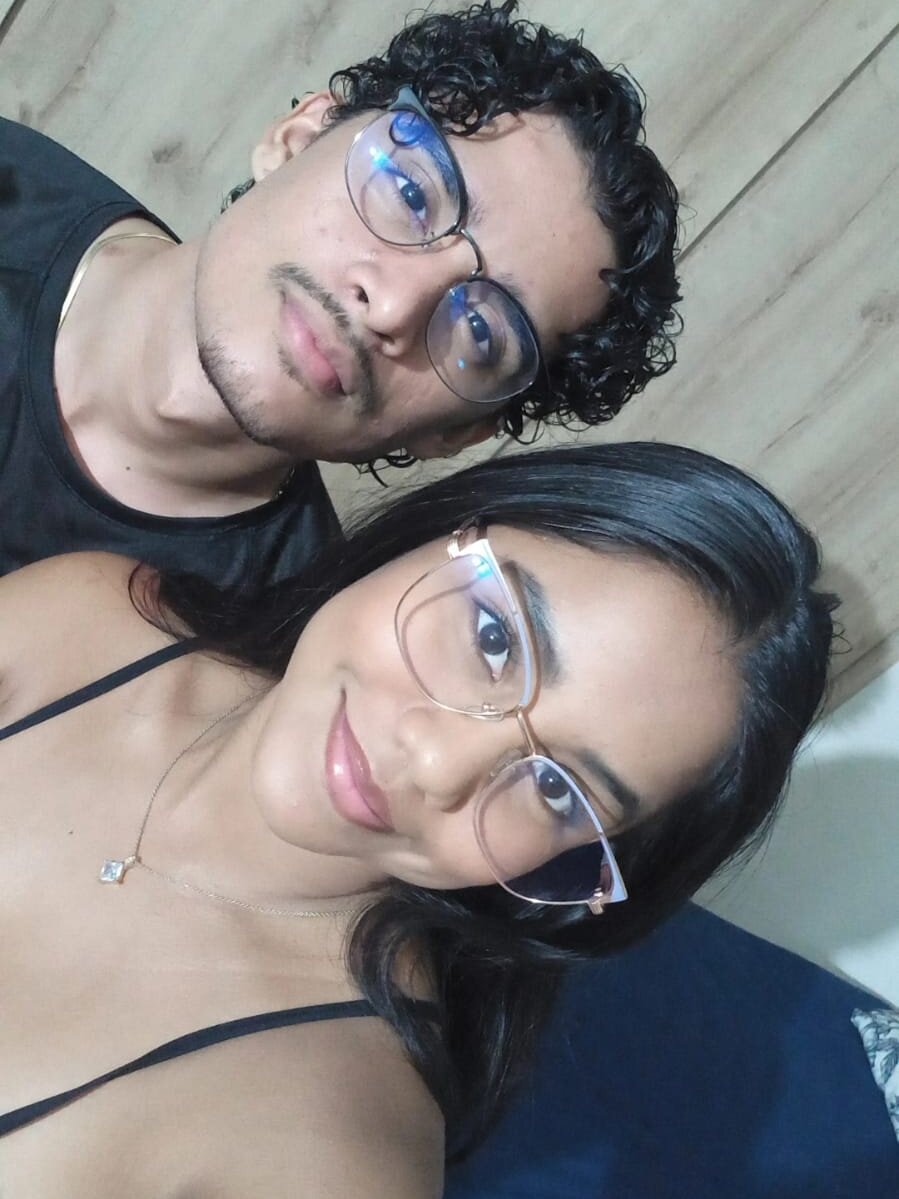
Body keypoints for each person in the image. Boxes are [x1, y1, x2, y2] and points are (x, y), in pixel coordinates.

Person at [0, 441, 834, 1195]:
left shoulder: (323, 1157)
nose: (438, 764)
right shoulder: (90, 619)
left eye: (558, 792)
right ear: (442, 531)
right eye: (494, 638)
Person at [0, 0, 680, 588]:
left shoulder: (259, 660)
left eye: (481, 331)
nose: (393, 305)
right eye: (411, 193)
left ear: (454, 434)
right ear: (298, 139)